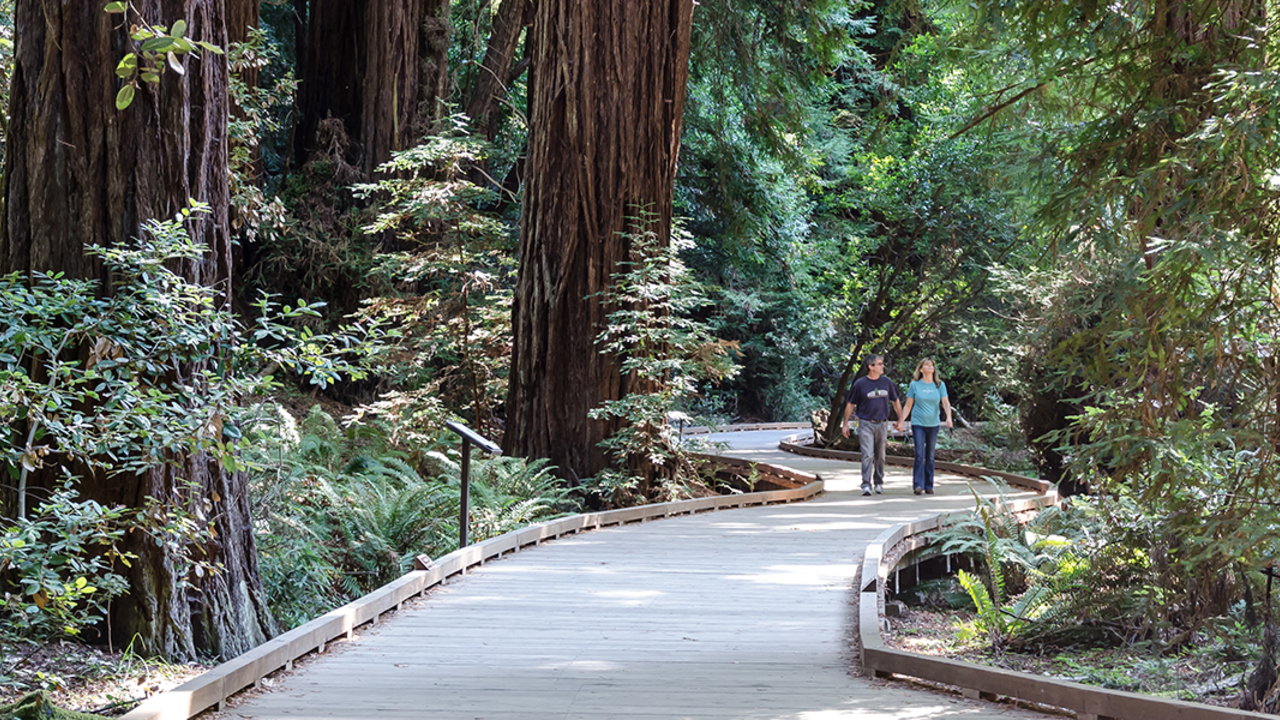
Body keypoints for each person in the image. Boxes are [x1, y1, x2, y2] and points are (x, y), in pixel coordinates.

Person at [841, 354, 904, 496]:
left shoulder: (887, 383)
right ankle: (866, 484)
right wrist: (845, 424)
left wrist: (900, 419)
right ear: (871, 367)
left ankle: (879, 482)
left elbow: (896, 401)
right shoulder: (860, 384)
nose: (882, 366)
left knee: (880, 455)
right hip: (865, 423)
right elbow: (851, 404)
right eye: (879, 364)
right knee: (867, 454)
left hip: (882, 423)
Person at [897, 358, 953, 496]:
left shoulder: (940, 385)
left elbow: (945, 403)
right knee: (919, 454)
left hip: (933, 423)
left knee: (930, 456)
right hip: (918, 423)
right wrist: (901, 421)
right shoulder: (915, 385)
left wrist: (949, 418)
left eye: (932, 365)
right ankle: (918, 485)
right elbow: (908, 405)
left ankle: (929, 485)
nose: (930, 367)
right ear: (921, 369)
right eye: (926, 365)